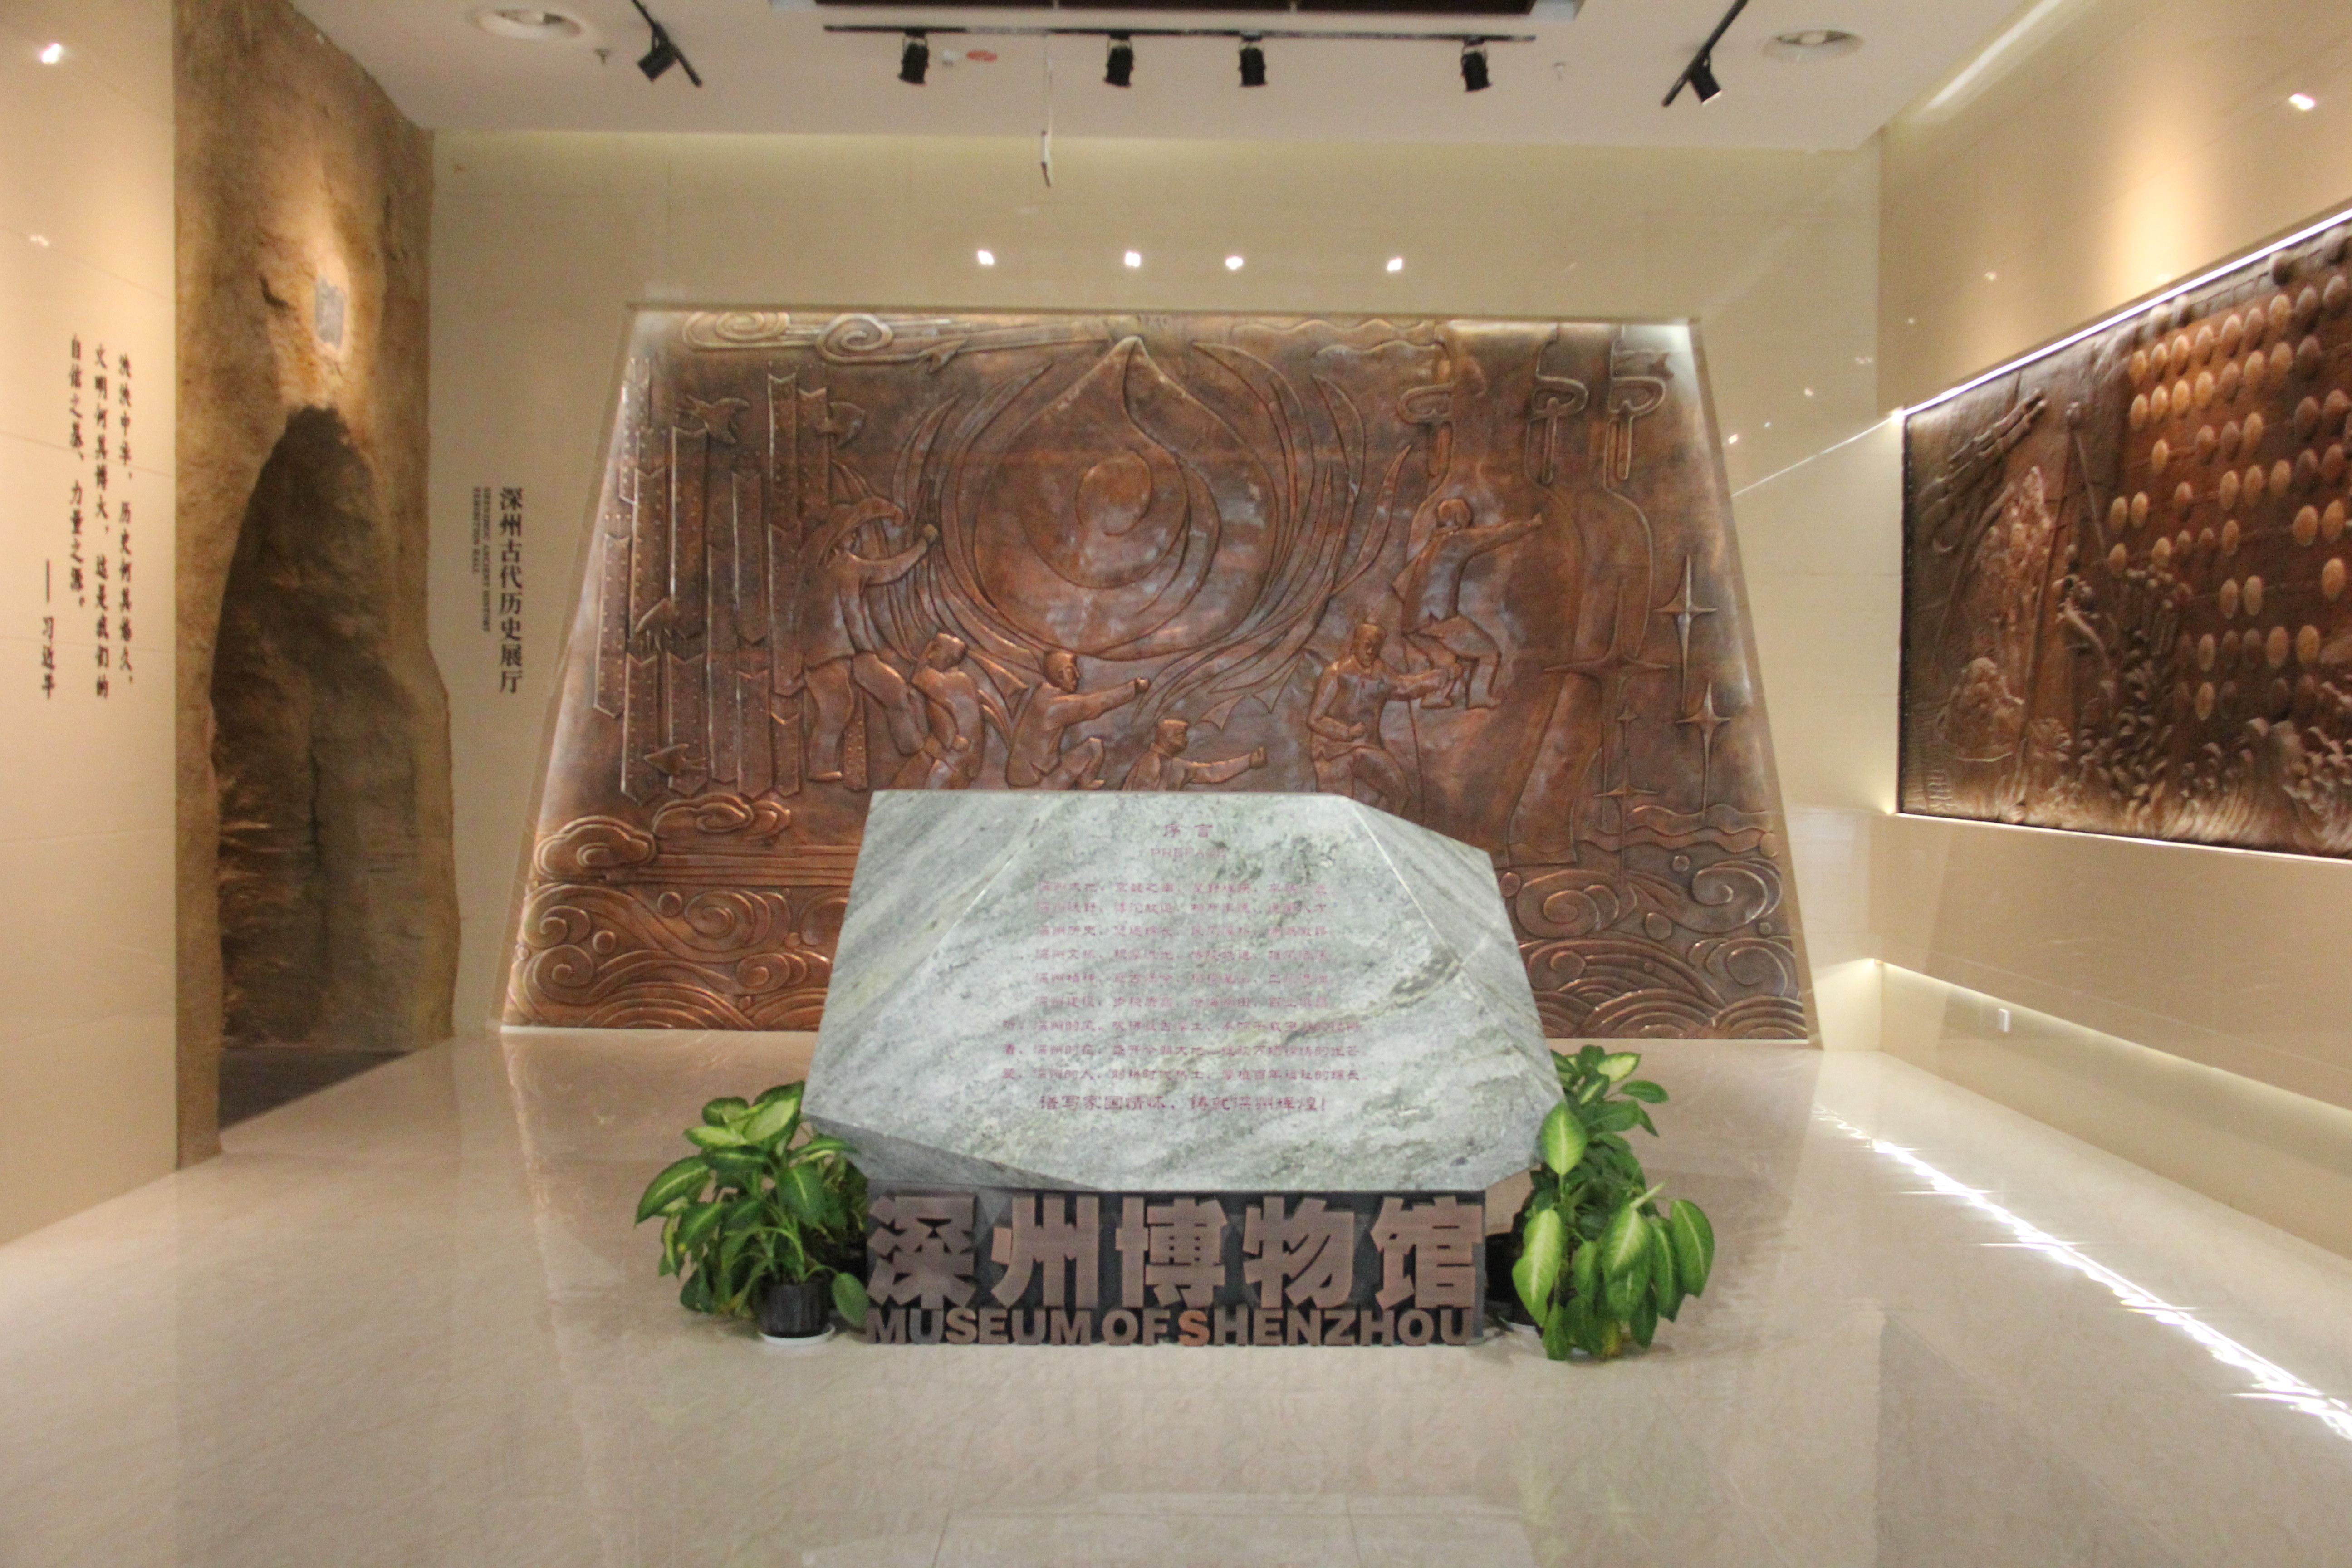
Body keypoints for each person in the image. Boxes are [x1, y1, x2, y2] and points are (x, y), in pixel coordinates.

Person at [799, 500, 934, 783]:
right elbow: (889, 569)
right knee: (838, 707)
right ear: (838, 535)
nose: (854, 539)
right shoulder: (826, 565)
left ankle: (914, 750)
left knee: (894, 689)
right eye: (851, 533)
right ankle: (819, 766)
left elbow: (891, 569)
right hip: (829, 654)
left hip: (858, 652)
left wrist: (920, 544)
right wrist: (917, 540)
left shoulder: (849, 566)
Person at [1391, 496, 1548, 709]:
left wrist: (1418, 609)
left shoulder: (1430, 547)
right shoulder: (1456, 541)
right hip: (1435, 618)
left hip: (1412, 622)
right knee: (1489, 651)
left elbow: (1400, 585)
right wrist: (1531, 524)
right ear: (1460, 519)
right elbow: (1496, 535)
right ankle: (1477, 696)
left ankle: (1435, 696)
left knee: (1448, 663)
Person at [1307, 622, 1450, 813]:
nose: (1370, 651)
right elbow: (1315, 719)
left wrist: (1436, 678)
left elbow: (1405, 686)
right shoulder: (1336, 673)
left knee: (1400, 794)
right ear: (1355, 643)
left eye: (1376, 647)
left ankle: (1375, 826)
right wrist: (1347, 732)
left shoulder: (1381, 672)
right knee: (1336, 808)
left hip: (1367, 747)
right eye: (1367, 645)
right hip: (1333, 750)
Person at [1004, 647, 1150, 790]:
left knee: (1093, 747)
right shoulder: (1050, 707)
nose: (1078, 675)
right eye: (1071, 671)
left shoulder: (1045, 697)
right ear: (1059, 676)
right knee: (1092, 748)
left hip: (1044, 775)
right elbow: (1093, 704)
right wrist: (1134, 688)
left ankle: (1085, 786)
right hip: (1032, 787)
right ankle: (1081, 793)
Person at [894, 632, 1008, 790]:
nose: (930, 656)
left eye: (935, 650)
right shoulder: (964, 681)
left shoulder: (946, 682)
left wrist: (925, 654)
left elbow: (918, 677)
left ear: (947, 659)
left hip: (951, 759)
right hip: (960, 758)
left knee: (911, 789)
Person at [1120, 718, 1266, 792]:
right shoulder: (1151, 762)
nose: (1186, 740)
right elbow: (1141, 800)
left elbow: (1211, 772)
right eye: (1181, 735)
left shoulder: (1177, 765)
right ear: (1167, 738)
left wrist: (1249, 761)